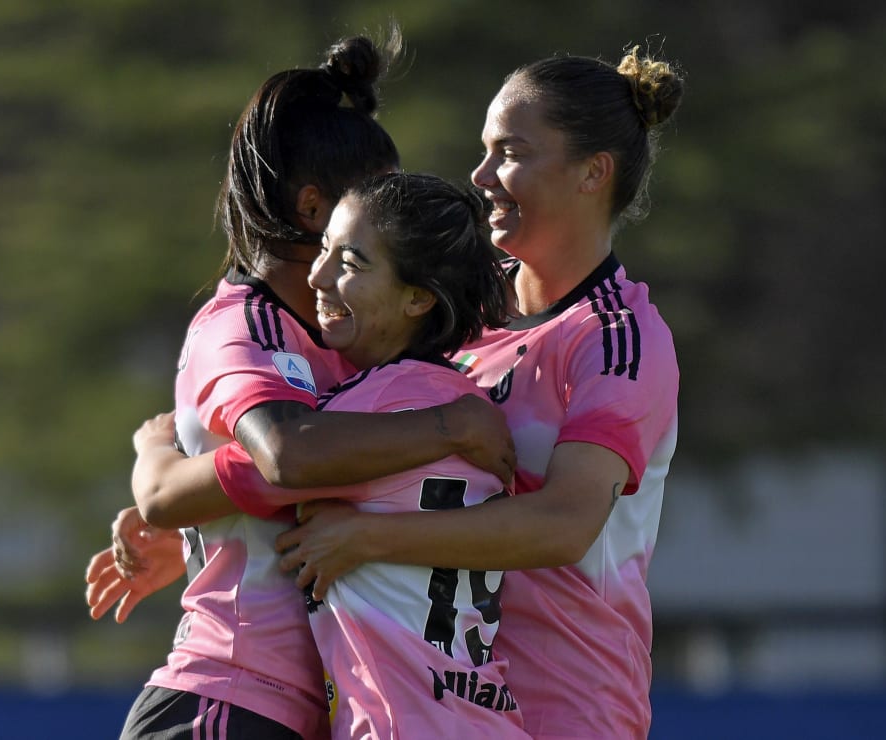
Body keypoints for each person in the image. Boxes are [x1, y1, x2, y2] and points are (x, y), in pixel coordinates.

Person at [83, 33, 515, 740]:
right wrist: (454, 427)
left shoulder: (360, 351)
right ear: (317, 210)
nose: (393, 219)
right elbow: (286, 454)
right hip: (229, 697)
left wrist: (182, 517)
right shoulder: (241, 327)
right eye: (375, 203)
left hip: (315, 708)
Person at [269, 45, 685, 739]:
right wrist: (204, 520)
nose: (481, 174)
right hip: (437, 711)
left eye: (510, 152)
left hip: (568, 711)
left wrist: (368, 538)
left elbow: (564, 524)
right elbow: (329, 437)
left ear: (592, 172)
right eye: (484, 150)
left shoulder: (617, 337)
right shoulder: (453, 307)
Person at [131, 171, 530, 739]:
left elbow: (202, 487)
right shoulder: (466, 399)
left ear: (418, 297)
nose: (317, 276)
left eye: (351, 263)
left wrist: (152, 453)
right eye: (324, 250)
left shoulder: (357, 420)